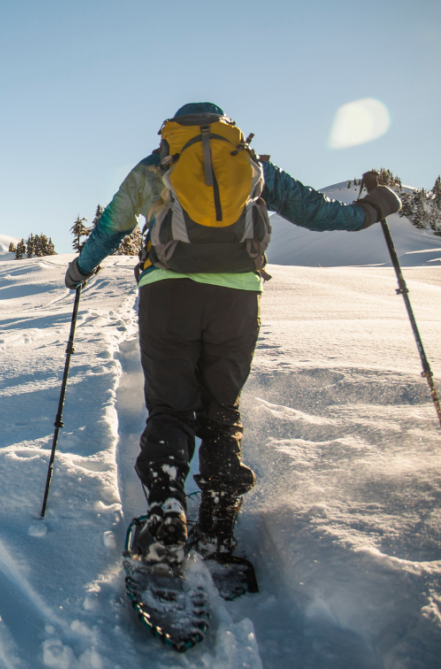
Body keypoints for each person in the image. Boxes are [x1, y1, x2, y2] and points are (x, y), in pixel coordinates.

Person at [65, 102, 401, 566]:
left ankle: (165, 513)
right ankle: (219, 524)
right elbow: (317, 213)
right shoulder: (252, 165)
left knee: (170, 407)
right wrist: (371, 210)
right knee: (223, 408)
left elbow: (110, 227)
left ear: (173, 132)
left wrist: (79, 270)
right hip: (236, 299)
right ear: (226, 130)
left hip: (168, 294)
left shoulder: (156, 167)